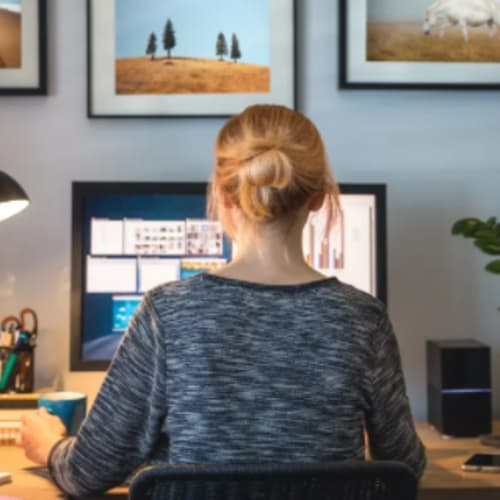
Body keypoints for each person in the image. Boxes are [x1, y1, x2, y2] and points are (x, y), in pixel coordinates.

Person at [21, 105, 426, 496]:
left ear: (224, 195)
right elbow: (404, 465)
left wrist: (51, 446)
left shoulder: (167, 313)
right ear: (318, 197)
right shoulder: (363, 318)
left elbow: (88, 472)